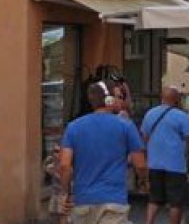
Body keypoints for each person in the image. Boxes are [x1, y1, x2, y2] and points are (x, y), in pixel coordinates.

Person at [61, 81, 147, 224]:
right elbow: (141, 165)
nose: (121, 101)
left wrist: (65, 193)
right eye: (118, 97)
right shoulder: (126, 125)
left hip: (83, 201)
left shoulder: (73, 127)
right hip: (114, 201)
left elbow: (65, 165)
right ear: (109, 100)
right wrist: (144, 181)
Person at [141, 86, 189, 224]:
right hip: (175, 165)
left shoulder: (150, 114)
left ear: (162, 98)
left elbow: (144, 137)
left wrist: (147, 154)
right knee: (175, 202)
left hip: (154, 163)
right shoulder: (181, 116)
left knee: (154, 199)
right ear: (177, 100)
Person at [44, 144, 67, 224]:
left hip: (63, 194)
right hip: (55, 193)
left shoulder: (66, 163)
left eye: (58, 151)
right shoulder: (52, 163)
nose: (56, 153)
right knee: (53, 214)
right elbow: (48, 169)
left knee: (62, 215)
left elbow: (61, 175)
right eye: (55, 151)